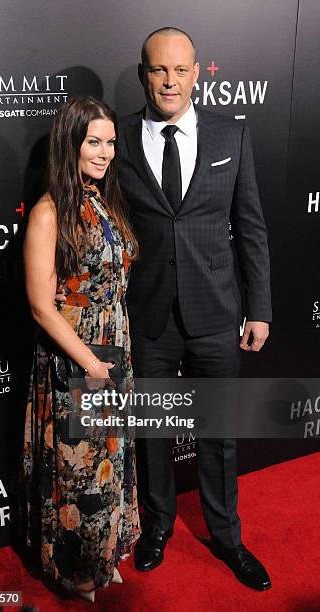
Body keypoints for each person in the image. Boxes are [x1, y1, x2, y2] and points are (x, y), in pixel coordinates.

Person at [117, 27, 272, 591]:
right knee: (154, 432)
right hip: (150, 317)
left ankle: (227, 537)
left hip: (215, 314)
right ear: (143, 74)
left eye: (180, 70)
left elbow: (250, 227)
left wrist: (260, 308)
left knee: (220, 434)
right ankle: (157, 526)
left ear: (197, 72)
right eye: (159, 70)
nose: (169, 81)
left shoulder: (231, 133)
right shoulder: (120, 139)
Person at [21, 96, 140, 602]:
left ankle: (103, 556)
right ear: (70, 142)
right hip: (78, 362)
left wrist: (111, 355)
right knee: (79, 475)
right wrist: (91, 362)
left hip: (113, 352)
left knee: (108, 465)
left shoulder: (101, 199)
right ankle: (77, 572)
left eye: (110, 142)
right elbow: (42, 307)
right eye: (94, 141)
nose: (105, 152)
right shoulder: (49, 211)